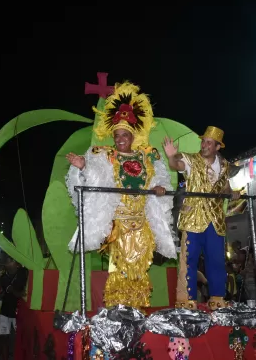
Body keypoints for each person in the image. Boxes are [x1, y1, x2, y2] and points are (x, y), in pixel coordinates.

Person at [66, 82, 177, 310]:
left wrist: (160, 188)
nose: (120, 139)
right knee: (120, 266)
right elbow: (98, 177)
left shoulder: (147, 157)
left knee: (141, 266)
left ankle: (137, 309)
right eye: (117, 135)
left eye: (124, 135)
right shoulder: (107, 156)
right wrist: (84, 164)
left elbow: (160, 179)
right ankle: (119, 310)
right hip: (120, 223)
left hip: (142, 221)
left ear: (132, 136)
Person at [164, 127, 240, 310]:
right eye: (203, 141)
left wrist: (232, 193)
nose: (204, 145)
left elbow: (225, 188)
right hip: (193, 220)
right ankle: (186, 301)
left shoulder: (225, 166)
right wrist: (172, 156)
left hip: (215, 221)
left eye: (208, 142)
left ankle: (217, 300)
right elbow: (177, 166)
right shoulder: (192, 159)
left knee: (216, 260)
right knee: (189, 260)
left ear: (217, 147)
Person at [0, 257, 27, 360]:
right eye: (7, 262)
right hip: (5, 311)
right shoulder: (3, 277)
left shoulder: (23, 272)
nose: (9, 264)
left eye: (11, 261)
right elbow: (12, 290)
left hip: (20, 312)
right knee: (3, 337)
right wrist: (21, 293)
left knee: (20, 338)